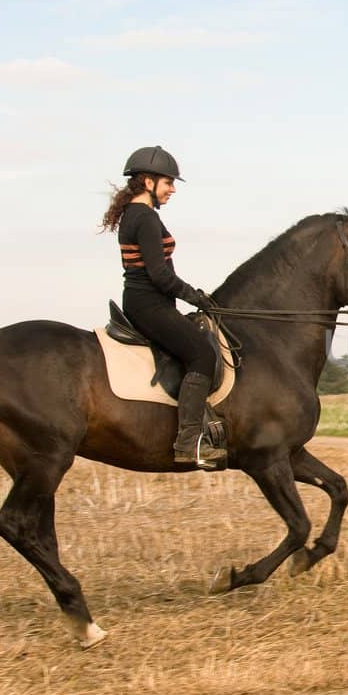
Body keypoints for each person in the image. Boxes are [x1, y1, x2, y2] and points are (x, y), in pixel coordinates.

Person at [100, 146, 226, 469]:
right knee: (203, 354)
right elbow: (159, 275)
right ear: (147, 181)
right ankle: (188, 444)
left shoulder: (135, 213)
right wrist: (194, 296)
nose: (172, 189)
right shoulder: (144, 218)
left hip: (146, 301)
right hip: (150, 304)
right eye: (168, 182)